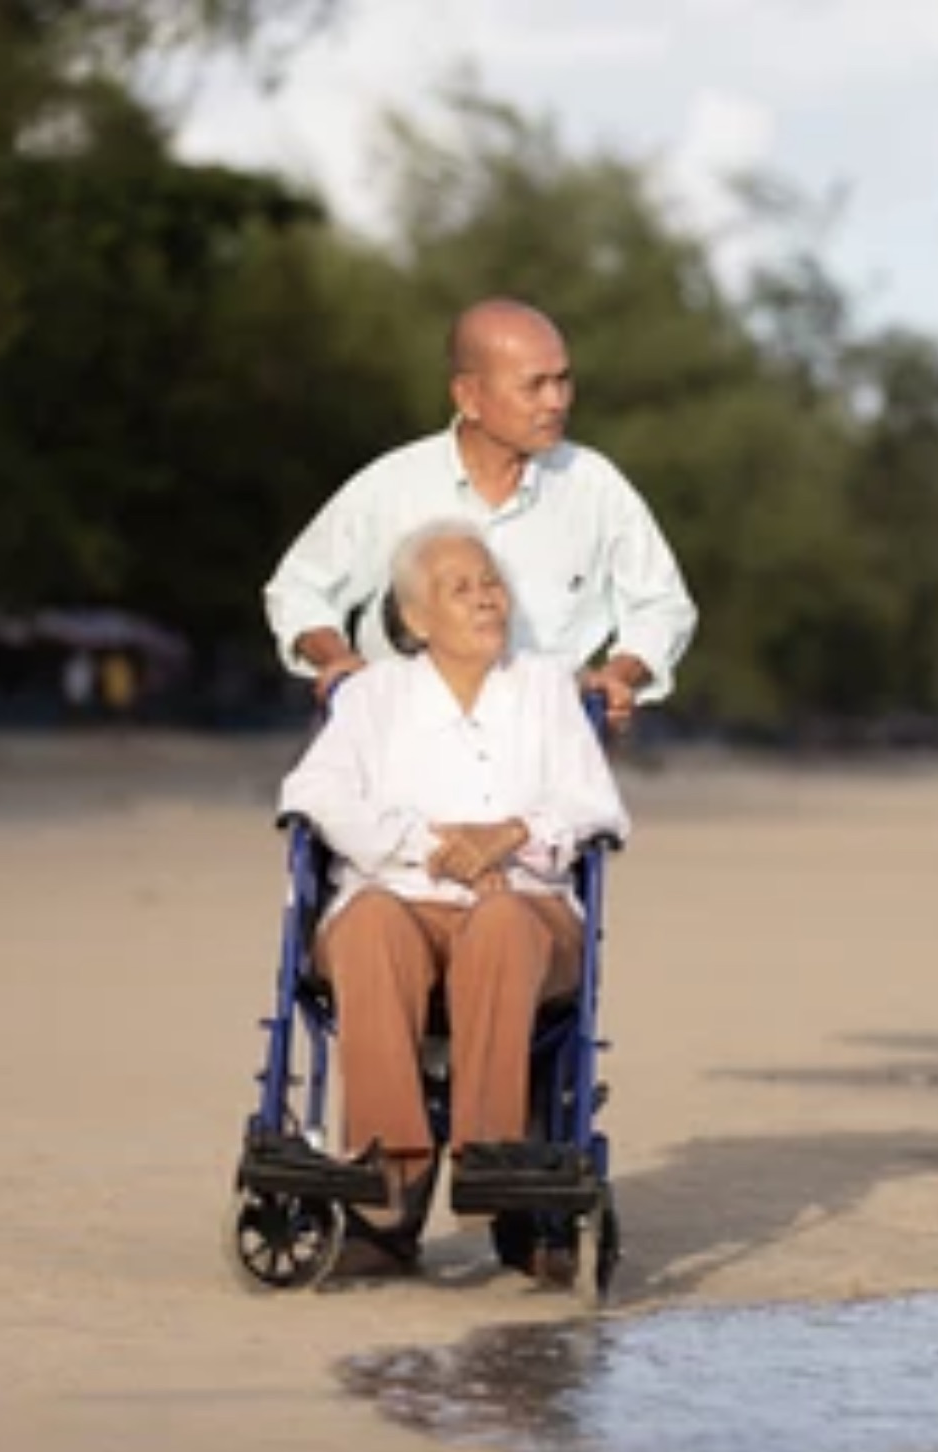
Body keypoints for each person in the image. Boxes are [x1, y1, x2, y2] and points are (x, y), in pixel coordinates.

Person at [278, 520, 631, 1269]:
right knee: (369, 922)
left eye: (490, 583)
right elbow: (312, 792)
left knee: (501, 919)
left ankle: (489, 1156)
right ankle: (389, 1177)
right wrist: (431, 847)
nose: (484, 599)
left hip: (526, 908)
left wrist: (506, 835)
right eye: (460, 588)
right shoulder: (375, 696)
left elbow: (597, 807)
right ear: (414, 619)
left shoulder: (545, 689)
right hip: (398, 897)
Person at [263, 297, 698, 728]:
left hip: (546, 755)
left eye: (564, 380)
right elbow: (297, 589)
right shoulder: (392, 484)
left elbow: (663, 606)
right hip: (399, 748)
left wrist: (618, 676)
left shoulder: (596, 487)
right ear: (468, 396)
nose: (556, 401)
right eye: (535, 385)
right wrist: (337, 660)